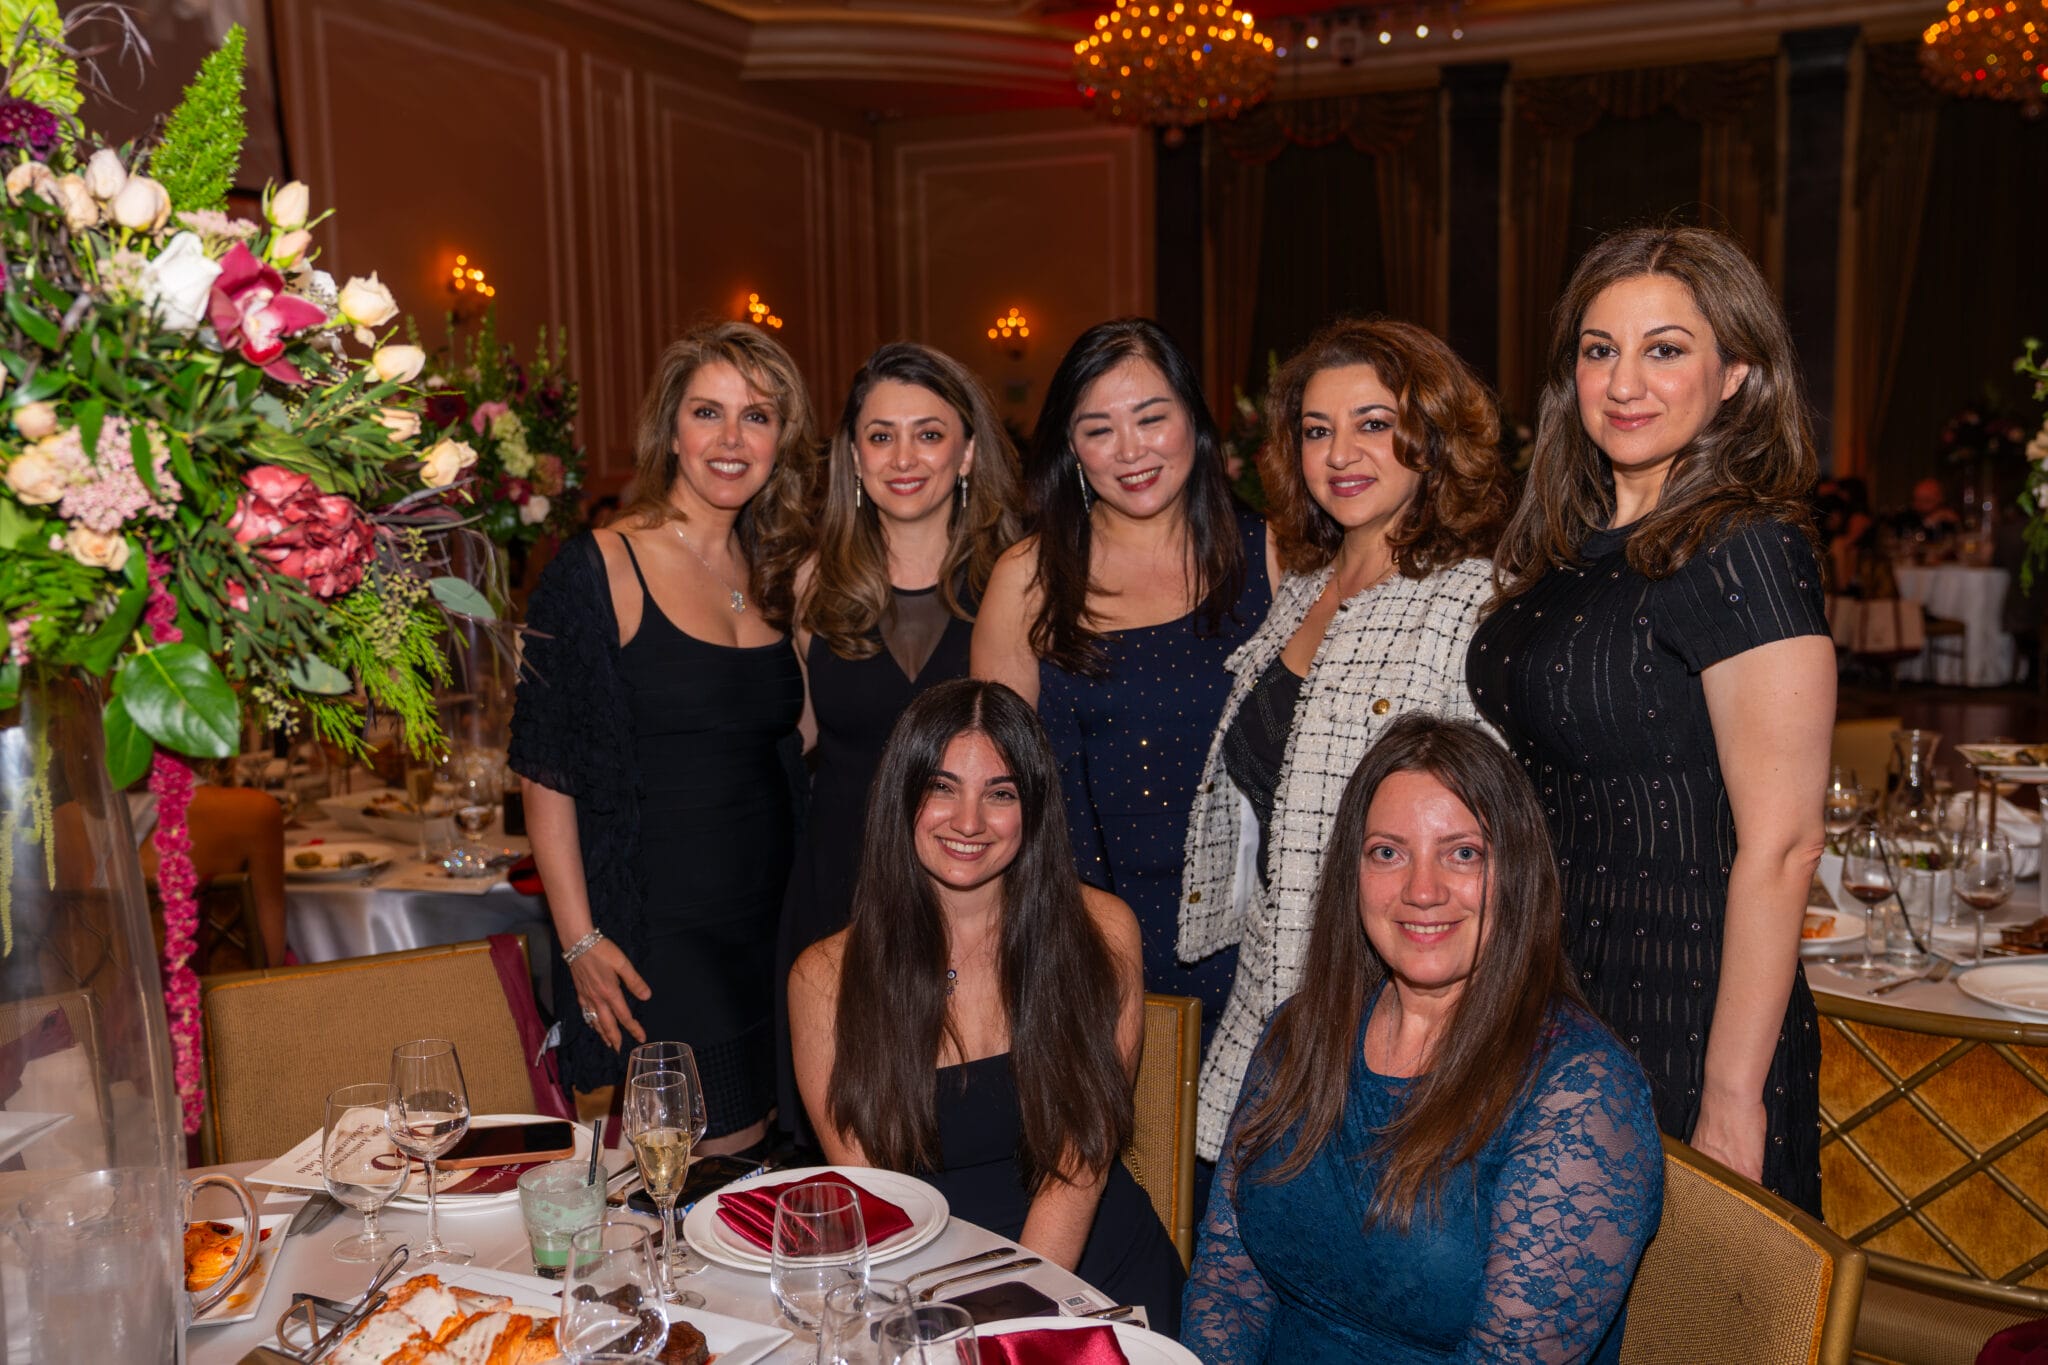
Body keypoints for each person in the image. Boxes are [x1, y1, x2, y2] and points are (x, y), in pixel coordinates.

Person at [1469, 225, 1833, 1213]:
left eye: (1664, 349)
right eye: (1598, 350)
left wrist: (1729, 1095)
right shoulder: (1570, 544)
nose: (1622, 382)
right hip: (1550, 999)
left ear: (1736, 377)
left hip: (1679, 1017)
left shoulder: (1742, 549)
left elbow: (1784, 845)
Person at [1182, 714, 1664, 1364]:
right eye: (1388, 851)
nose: (1422, 890)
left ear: (1516, 870)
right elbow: (1228, 1286)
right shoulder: (1301, 1033)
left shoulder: (1580, 1091)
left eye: (1463, 852)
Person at [1181, 318, 1511, 1163]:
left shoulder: (1470, 602)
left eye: (1373, 423)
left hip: (1387, 1031)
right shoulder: (1301, 592)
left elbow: (1487, 851)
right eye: (1317, 431)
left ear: (1431, 437)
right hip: (1265, 1005)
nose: (1340, 454)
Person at [789, 679, 1185, 1331]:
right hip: (921, 1291)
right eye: (942, 787)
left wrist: (1005, 1326)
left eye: (999, 793)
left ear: (1031, 806)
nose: (968, 821)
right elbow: (877, 1205)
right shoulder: (826, 978)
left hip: (1089, 1278)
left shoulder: (1101, 932)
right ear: (902, 795)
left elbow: (1077, 1166)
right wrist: (945, 1330)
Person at [510, 322, 812, 1150]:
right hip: (665, 933)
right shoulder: (601, 566)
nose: (730, 438)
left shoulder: (780, 572)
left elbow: (803, 742)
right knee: (702, 1161)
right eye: (707, 412)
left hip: (776, 927)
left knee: (769, 1166)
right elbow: (547, 770)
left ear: (782, 439)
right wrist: (579, 939)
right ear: (670, 431)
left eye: (757, 417)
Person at [974, 318, 1273, 1053]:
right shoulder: (1029, 579)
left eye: (1151, 417)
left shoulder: (1274, 554)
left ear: (1194, 422)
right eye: (1099, 428)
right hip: (1087, 944)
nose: (1132, 450)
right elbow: (991, 782)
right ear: (1071, 447)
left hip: (1257, 947)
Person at [774, 342, 1022, 1142]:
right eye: (880, 436)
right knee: (850, 1139)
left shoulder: (1016, 578)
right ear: (852, 455)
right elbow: (795, 736)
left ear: (968, 452)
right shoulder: (817, 583)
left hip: (969, 896)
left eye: (929, 433)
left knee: (963, 1131)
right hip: (837, 892)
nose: (903, 457)